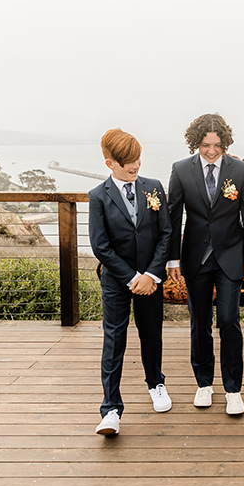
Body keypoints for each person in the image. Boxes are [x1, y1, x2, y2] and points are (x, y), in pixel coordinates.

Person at [166, 114, 244, 415]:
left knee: (230, 320)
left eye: (217, 145)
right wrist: (172, 258)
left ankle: (234, 389)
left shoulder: (242, 170)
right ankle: (204, 384)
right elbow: (172, 216)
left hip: (231, 256)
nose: (210, 151)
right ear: (196, 143)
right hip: (195, 258)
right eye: (205, 145)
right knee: (199, 323)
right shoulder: (180, 170)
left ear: (225, 143)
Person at [89, 129, 172, 436]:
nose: (135, 166)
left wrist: (151, 274)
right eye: (127, 163)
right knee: (114, 341)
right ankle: (110, 408)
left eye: (137, 159)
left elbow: (165, 233)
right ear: (110, 163)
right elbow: (100, 246)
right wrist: (131, 277)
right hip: (116, 280)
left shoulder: (154, 188)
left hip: (150, 279)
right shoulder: (98, 196)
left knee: (152, 334)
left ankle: (156, 383)